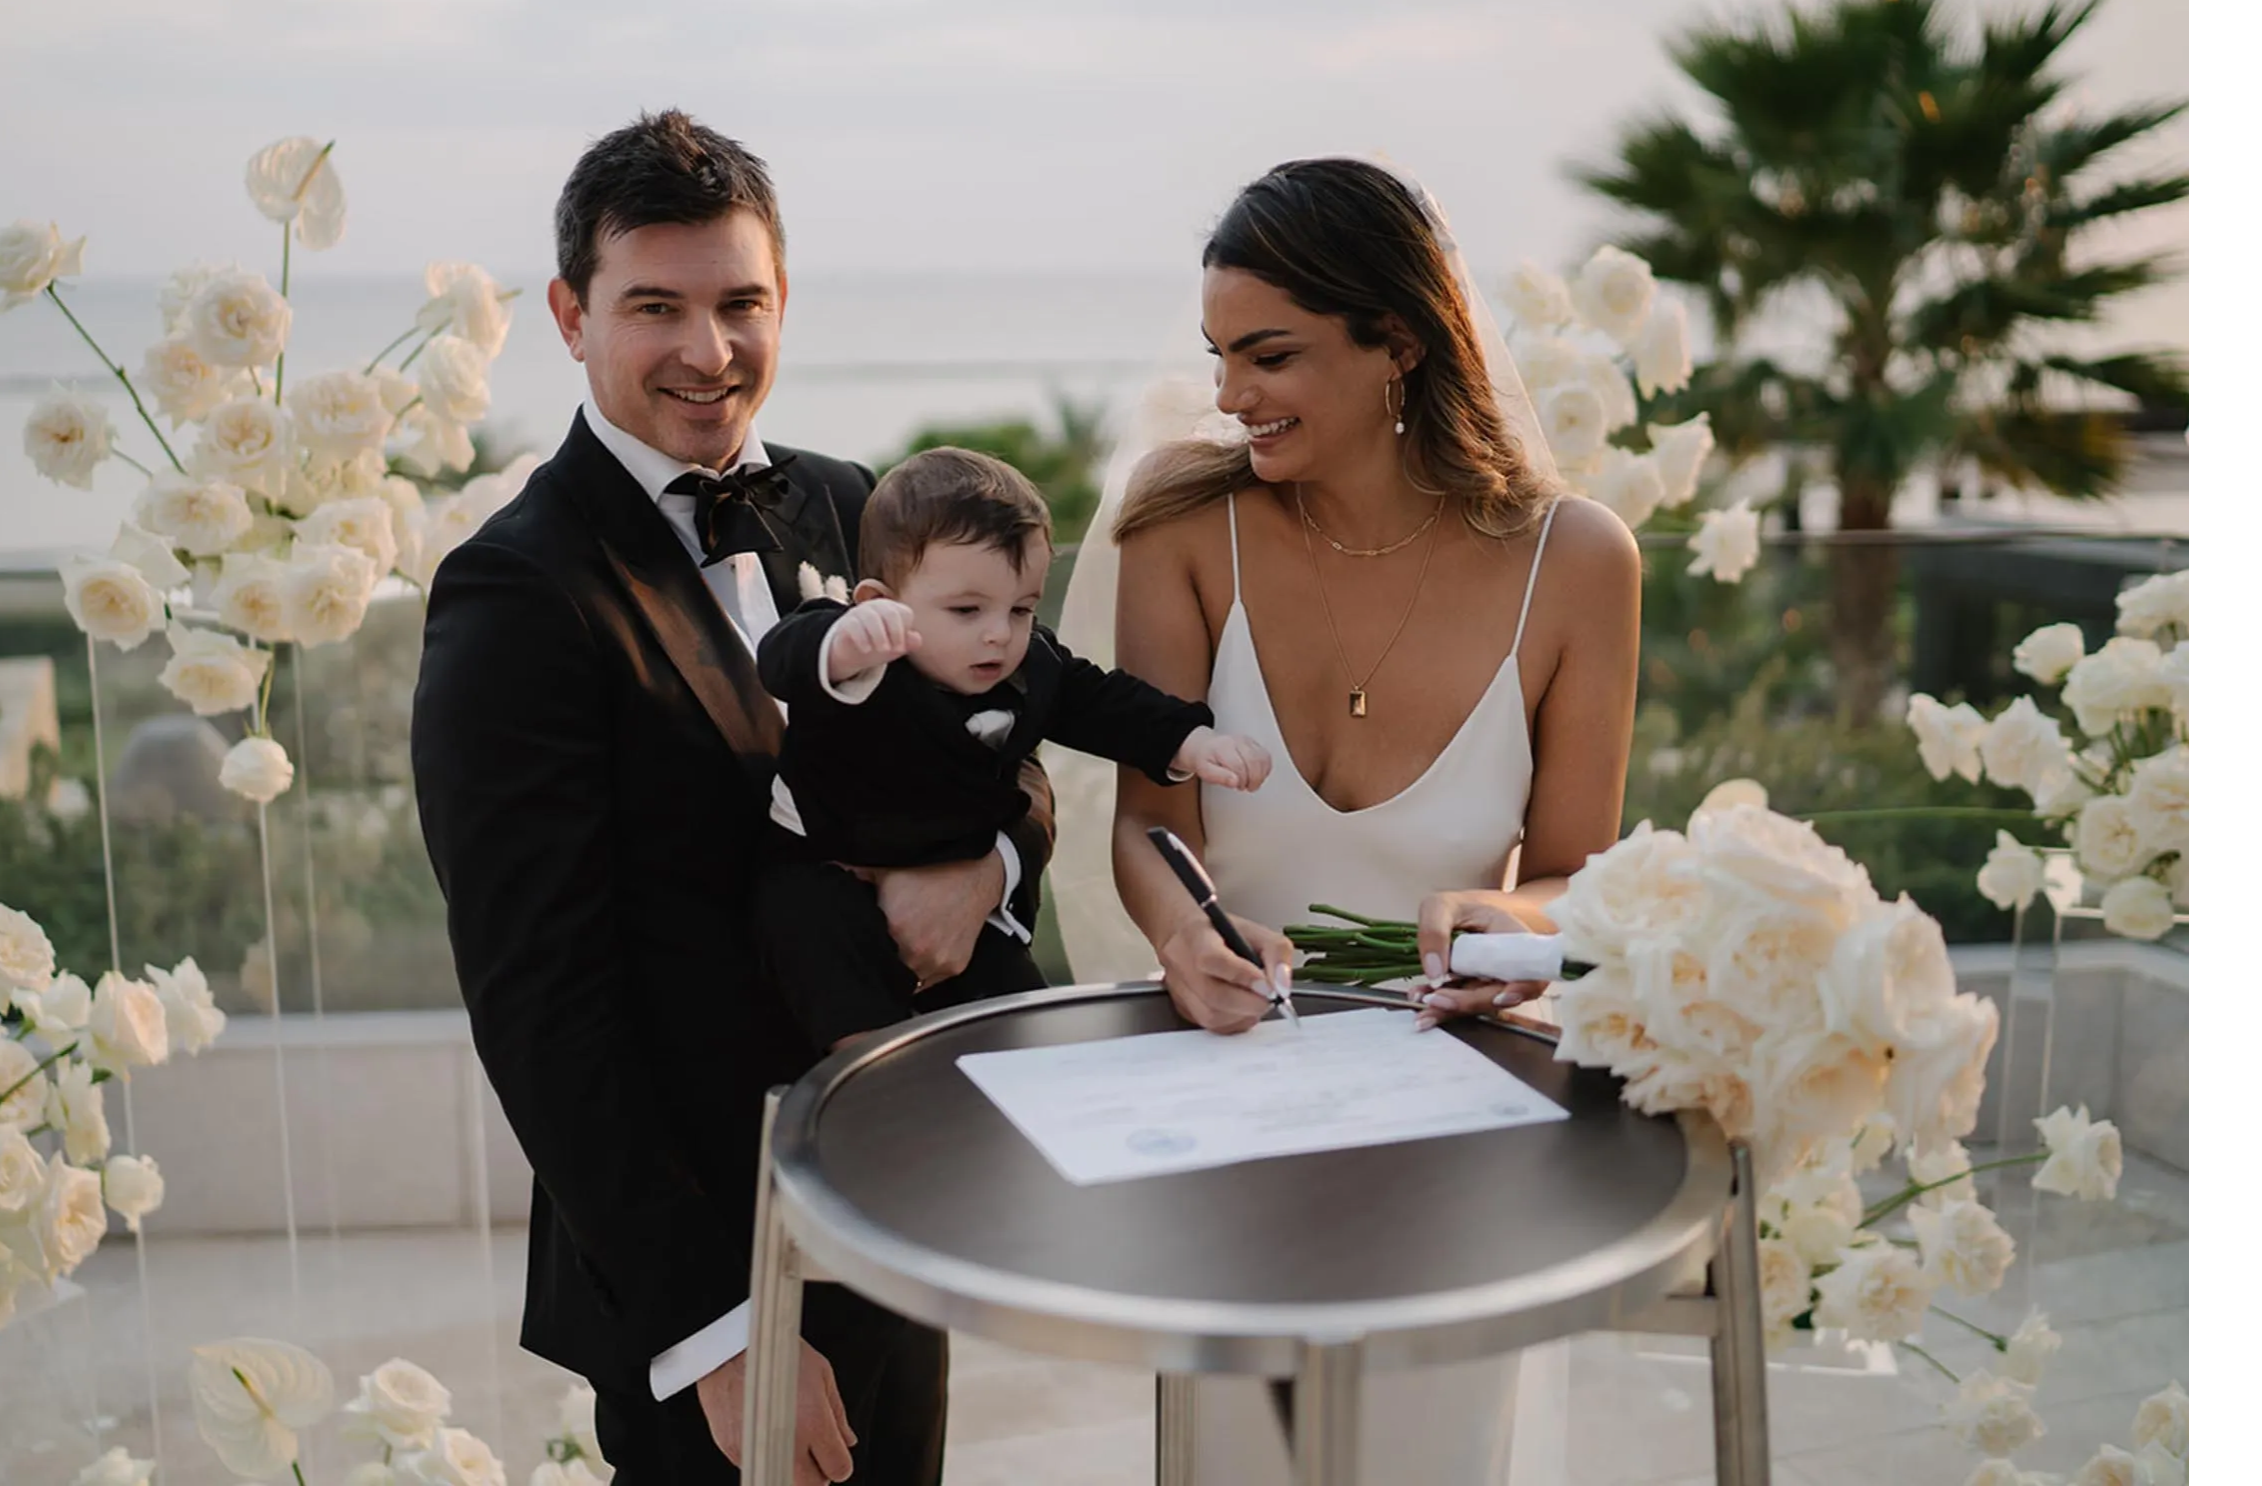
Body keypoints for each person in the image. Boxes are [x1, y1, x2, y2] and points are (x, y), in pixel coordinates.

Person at [412, 111, 1054, 1486]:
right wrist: (721, 1328)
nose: (707, 353)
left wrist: (987, 866)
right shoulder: (512, 590)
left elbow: (1006, 737)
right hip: (694, 1257)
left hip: (888, 1195)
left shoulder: (854, 506)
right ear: (569, 317)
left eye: (737, 303)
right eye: (655, 307)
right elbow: (539, 999)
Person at [1105, 158, 1642, 1485]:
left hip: (1453, 1111)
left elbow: (1582, 880)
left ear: (1394, 342)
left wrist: (1504, 918)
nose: (1228, 395)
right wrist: (1186, 933)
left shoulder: (1576, 564)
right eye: (1218, 355)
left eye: (1268, 354)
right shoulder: (1181, 526)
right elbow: (1141, 823)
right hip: (1222, 1090)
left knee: (1434, 1455)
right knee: (1230, 1458)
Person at [753, 445, 1271, 1053]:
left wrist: (1193, 741)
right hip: (828, 860)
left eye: (1021, 608)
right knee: (829, 954)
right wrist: (845, 642)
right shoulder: (861, 652)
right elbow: (784, 656)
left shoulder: (1028, 666)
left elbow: (1108, 704)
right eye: (967, 610)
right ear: (879, 602)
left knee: (1018, 1010)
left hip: (957, 870)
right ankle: (871, 1073)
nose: (999, 633)